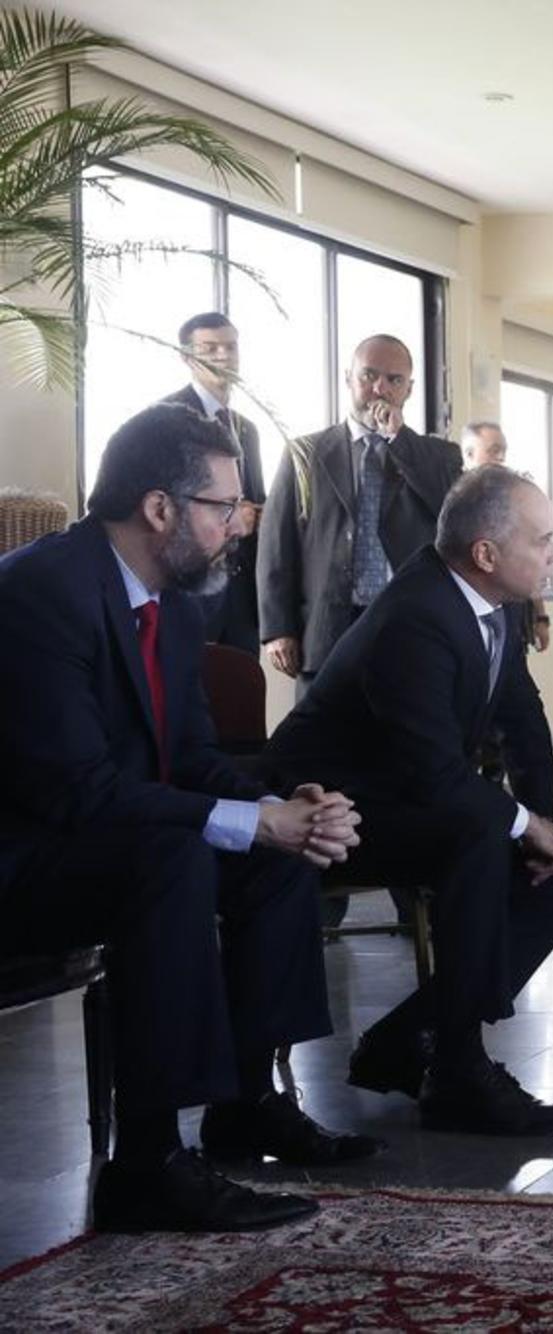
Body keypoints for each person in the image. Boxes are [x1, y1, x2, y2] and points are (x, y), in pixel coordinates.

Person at [0, 404, 374, 1233]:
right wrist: (244, 820)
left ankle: (249, 1104)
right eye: (223, 506)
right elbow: (76, 791)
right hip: (29, 855)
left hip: (107, 836)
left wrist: (283, 809)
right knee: (174, 859)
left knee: (271, 855)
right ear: (161, 508)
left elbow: (193, 756)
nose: (240, 525)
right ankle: (147, 1163)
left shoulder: (170, 600)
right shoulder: (41, 593)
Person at [262, 466, 553, 1136]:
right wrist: (522, 824)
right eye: (544, 540)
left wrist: (544, 820)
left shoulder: (492, 598)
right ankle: (460, 1069)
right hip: (326, 807)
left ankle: (411, 1041)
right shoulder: (417, 615)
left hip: (403, 793)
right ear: (487, 554)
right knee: (473, 832)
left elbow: (520, 715)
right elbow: (435, 775)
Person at [258, 334, 461, 691]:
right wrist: (277, 628)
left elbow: (450, 511)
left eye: (394, 380)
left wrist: (398, 440)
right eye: (369, 375)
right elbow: (277, 543)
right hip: (326, 628)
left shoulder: (438, 456)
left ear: (409, 389)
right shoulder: (305, 452)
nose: (380, 388)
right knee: (323, 741)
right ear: (348, 378)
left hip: (408, 628)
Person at [162, 313, 264, 653]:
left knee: (240, 698)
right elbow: (157, 505)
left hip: (242, 597)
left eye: (231, 346)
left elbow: (255, 503)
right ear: (187, 357)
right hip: (189, 589)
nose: (224, 355)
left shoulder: (247, 429)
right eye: (211, 348)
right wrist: (228, 518)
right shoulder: (166, 418)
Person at [461, 421, 550, 652]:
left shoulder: (513, 499)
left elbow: (534, 558)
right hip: (468, 617)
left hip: (511, 615)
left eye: (503, 451)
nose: (500, 458)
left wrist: (541, 617)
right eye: (493, 450)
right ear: (469, 453)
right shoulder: (455, 505)